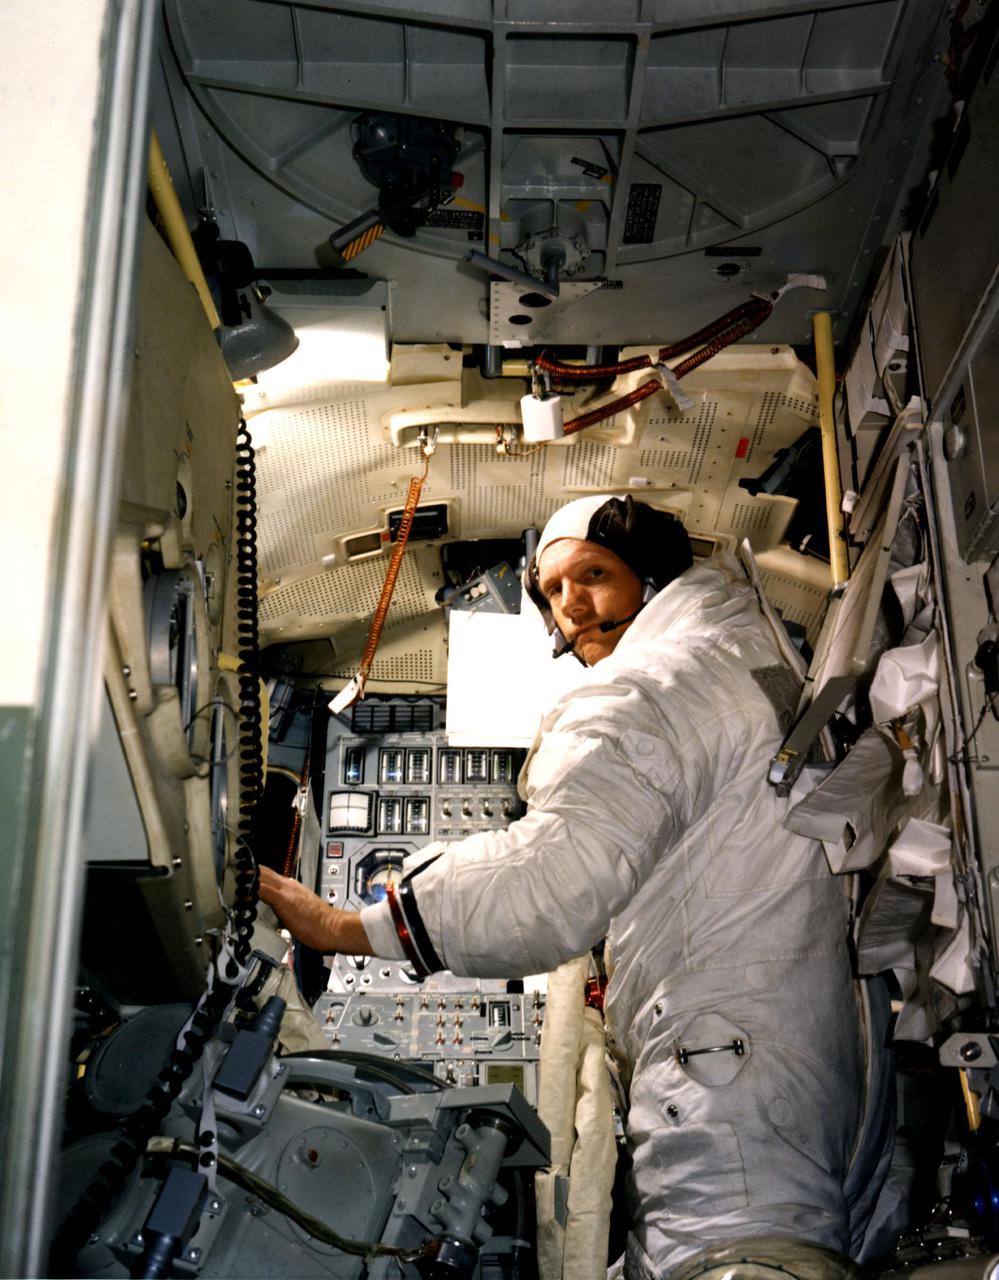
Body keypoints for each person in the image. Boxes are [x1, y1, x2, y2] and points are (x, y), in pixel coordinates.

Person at [259, 494, 884, 1277]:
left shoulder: (652, 690)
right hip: (784, 1041)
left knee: (734, 1258)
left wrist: (350, 929)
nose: (573, 606)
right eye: (553, 591)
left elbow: (548, 882)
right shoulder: (741, 647)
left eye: (593, 574)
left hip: (732, 1071)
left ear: (652, 571)